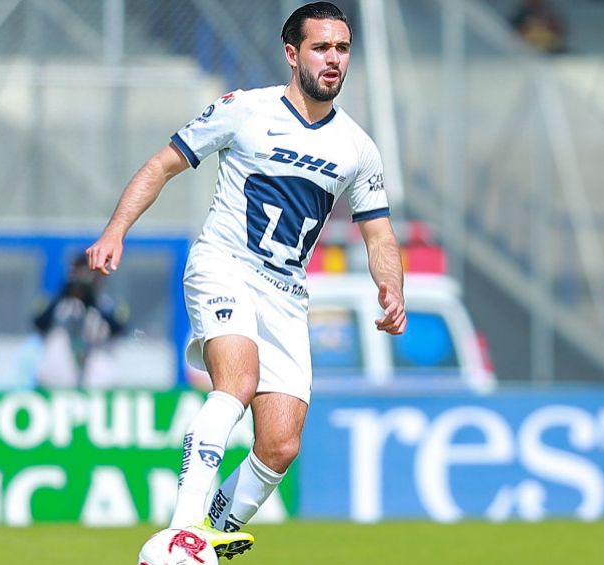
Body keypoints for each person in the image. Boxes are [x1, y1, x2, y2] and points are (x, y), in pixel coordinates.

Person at [85, 2, 406, 559]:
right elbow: (163, 163)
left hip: (286, 294)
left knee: (280, 444)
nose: (334, 59)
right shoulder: (244, 109)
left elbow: (379, 237)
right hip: (224, 265)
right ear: (292, 53)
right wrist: (116, 230)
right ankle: (183, 530)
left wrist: (392, 286)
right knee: (235, 382)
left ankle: (206, 535)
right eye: (321, 47)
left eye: (343, 48)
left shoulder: (357, 148)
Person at [33, 253, 127, 388]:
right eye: (78, 273)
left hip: (97, 382)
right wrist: (63, 293)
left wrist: (93, 301)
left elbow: (119, 328)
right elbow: (38, 323)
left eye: (89, 273)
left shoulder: (108, 305)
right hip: (56, 381)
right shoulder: (57, 305)